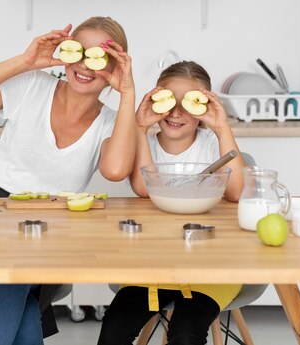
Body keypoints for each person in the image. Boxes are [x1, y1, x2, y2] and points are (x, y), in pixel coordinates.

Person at [0, 16, 137, 345]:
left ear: (116, 67)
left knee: (14, 275)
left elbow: (115, 171)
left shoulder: (110, 122)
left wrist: (128, 92)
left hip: (47, 234)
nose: (86, 64)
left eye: (99, 57)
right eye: (79, 51)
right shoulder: (33, 85)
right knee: (18, 296)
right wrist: (25, 60)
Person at [97, 61, 246, 345]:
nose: (176, 112)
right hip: (154, 263)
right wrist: (139, 129)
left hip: (212, 266)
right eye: (167, 100)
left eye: (189, 103)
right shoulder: (145, 144)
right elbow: (143, 188)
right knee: (115, 327)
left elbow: (237, 192)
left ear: (204, 109)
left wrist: (223, 127)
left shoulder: (212, 144)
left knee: (186, 333)